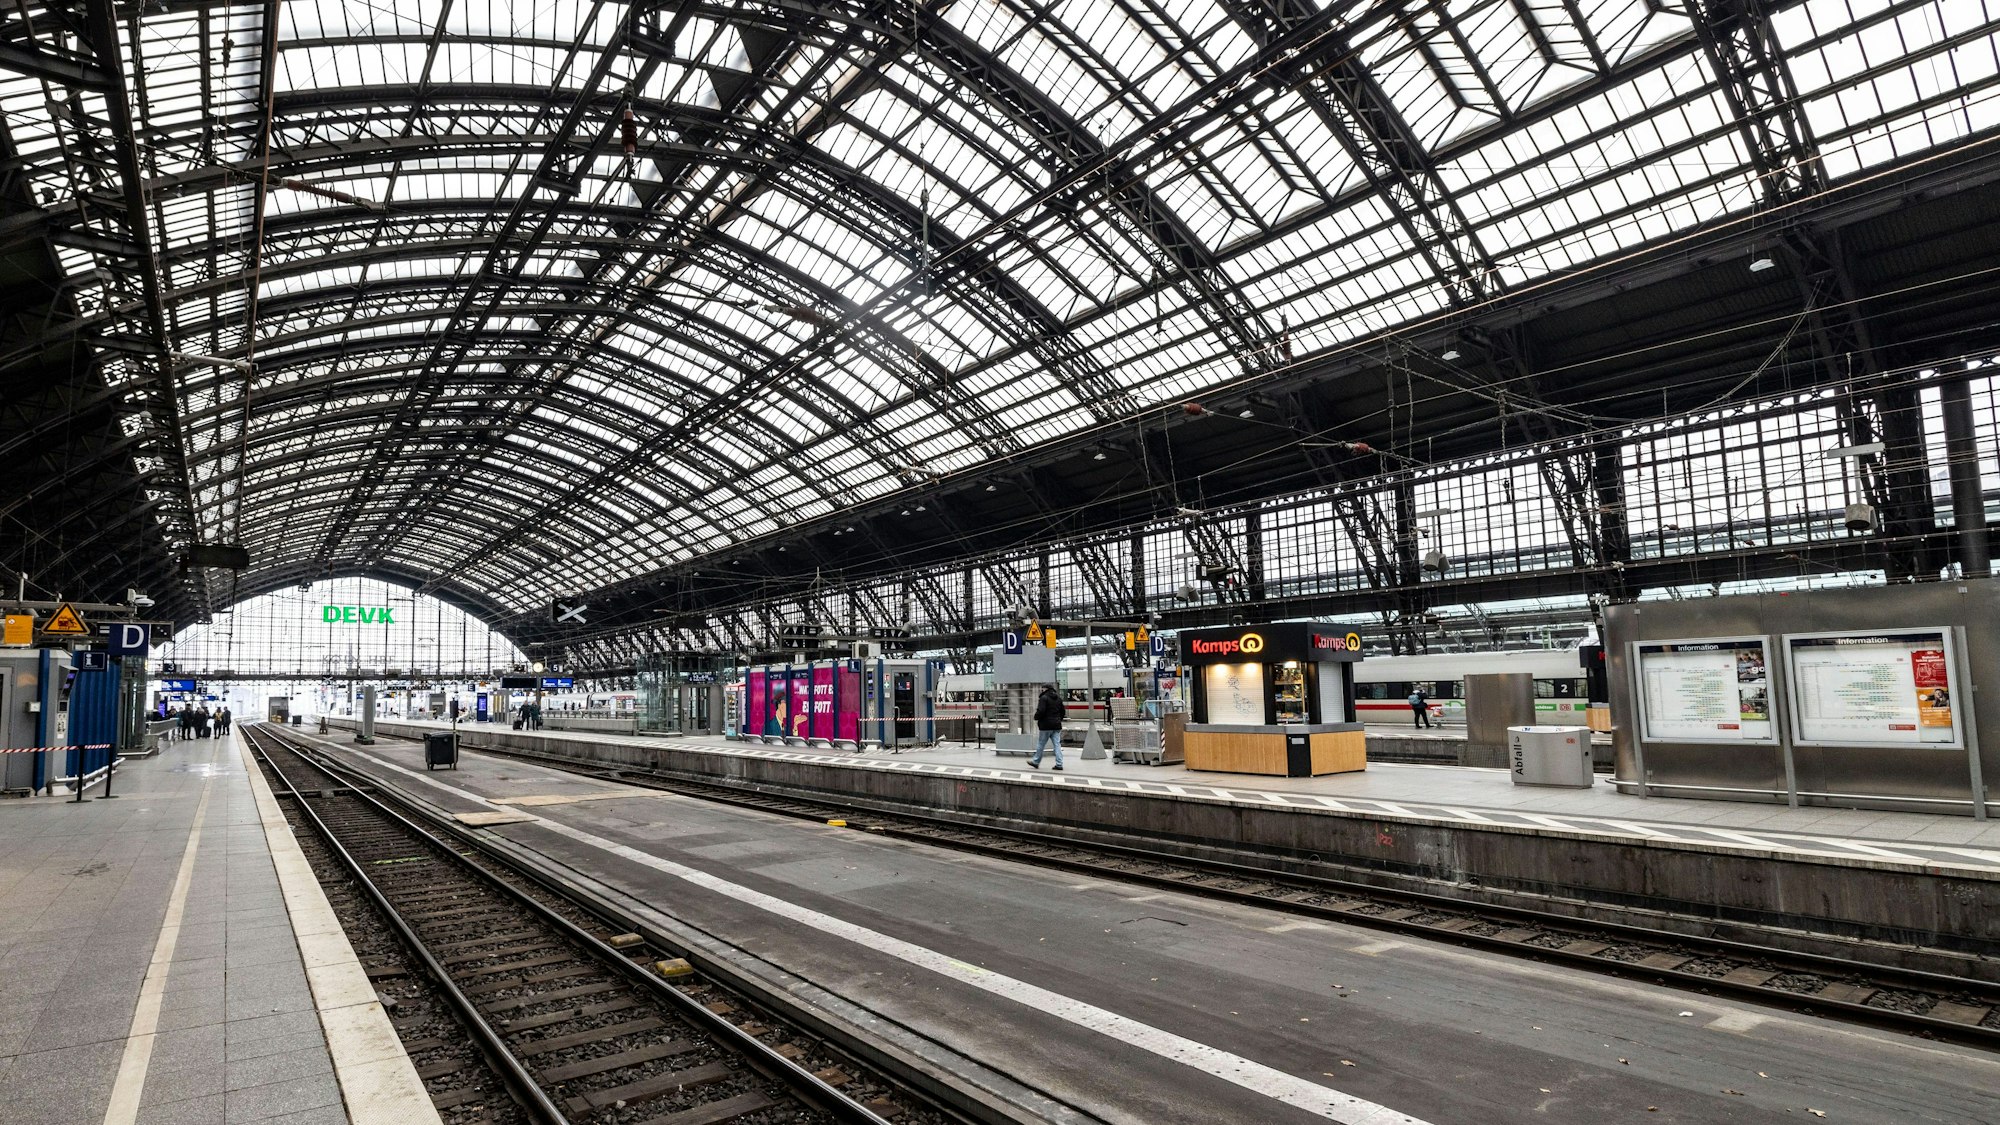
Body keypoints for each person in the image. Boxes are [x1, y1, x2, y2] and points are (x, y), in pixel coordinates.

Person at [1028, 683, 1065, 771]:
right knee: (1057, 745)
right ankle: (1059, 764)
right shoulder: (1058, 698)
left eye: (1042, 688)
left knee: (1041, 744)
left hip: (1046, 725)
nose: (1041, 690)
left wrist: (1036, 717)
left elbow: (1041, 710)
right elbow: (1063, 711)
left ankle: (1036, 762)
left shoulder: (1044, 698)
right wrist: (1059, 719)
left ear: (1046, 689)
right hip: (1056, 725)